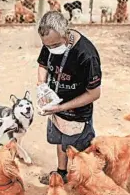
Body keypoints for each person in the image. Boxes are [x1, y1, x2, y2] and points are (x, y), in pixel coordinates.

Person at [36, 11, 102, 184]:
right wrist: (41, 84)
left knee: (78, 151)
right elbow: (42, 64)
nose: (51, 49)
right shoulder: (50, 42)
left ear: (66, 33)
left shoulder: (86, 54)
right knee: (60, 141)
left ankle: (85, 180)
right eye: (47, 45)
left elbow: (95, 93)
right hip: (56, 107)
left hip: (77, 115)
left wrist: (61, 107)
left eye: (55, 44)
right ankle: (61, 173)